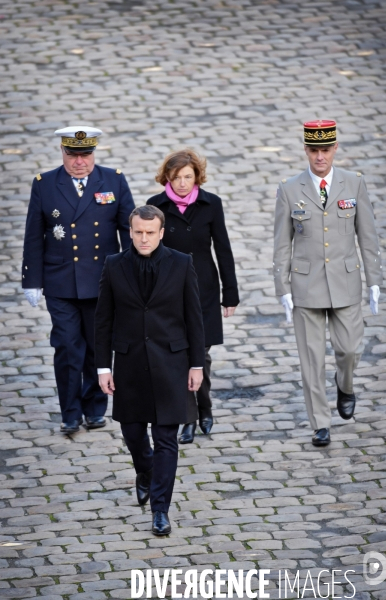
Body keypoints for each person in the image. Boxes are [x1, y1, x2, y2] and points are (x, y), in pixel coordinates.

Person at [95, 205, 205, 535]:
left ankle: (160, 510)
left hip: (172, 364)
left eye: (150, 233)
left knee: (166, 439)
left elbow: (193, 318)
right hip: (129, 365)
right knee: (132, 433)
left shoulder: (182, 264)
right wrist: (103, 367)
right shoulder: (114, 265)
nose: (143, 238)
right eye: (138, 232)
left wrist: (196, 364)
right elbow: (103, 321)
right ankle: (145, 468)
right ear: (130, 232)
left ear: (161, 232)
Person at [273, 120, 382, 447]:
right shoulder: (290, 188)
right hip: (306, 286)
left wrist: (374, 280)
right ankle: (320, 423)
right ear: (306, 150)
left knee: (350, 348)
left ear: (335, 148)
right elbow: (281, 243)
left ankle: (345, 385)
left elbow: (368, 235)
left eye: (326, 149)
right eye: (314, 150)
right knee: (311, 358)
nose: (320, 156)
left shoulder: (354, 184)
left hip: (346, 282)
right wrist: (283, 287)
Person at [22, 125, 135, 434]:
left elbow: (129, 229)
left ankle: (95, 408)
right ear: (63, 152)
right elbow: (34, 234)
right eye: (73, 155)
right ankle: (70, 412)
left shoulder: (113, 179)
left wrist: (133, 270)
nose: (80, 162)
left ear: (94, 153)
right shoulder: (45, 184)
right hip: (61, 282)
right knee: (69, 347)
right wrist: (31, 279)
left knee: (99, 347)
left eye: (85, 155)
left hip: (101, 280)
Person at [147, 149, 239, 444]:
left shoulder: (211, 204)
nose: (183, 183)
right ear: (167, 178)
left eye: (188, 177)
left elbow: (223, 250)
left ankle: (205, 406)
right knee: (180, 355)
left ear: (197, 176)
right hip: (169, 292)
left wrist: (231, 295)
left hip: (205, 290)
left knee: (202, 355)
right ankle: (188, 418)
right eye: (177, 178)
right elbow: (148, 252)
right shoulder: (156, 206)